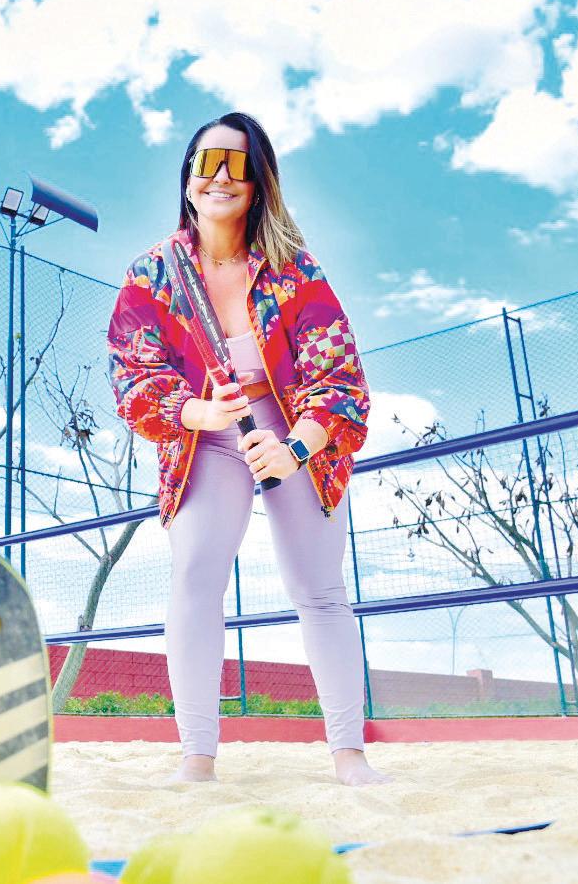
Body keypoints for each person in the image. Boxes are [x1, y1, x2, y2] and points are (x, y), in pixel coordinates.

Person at [106, 112, 389, 786]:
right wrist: (195, 410)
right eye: (206, 163)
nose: (219, 179)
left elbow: (340, 379)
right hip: (203, 431)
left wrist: (295, 446)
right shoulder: (153, 272)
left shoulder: (295, 270)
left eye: (236, 165)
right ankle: (196, 758)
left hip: (293, 433)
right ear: (187, 179)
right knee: (195, 578)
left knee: (318, 589)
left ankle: (348, 752)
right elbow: (132, 371)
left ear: (259, 183)